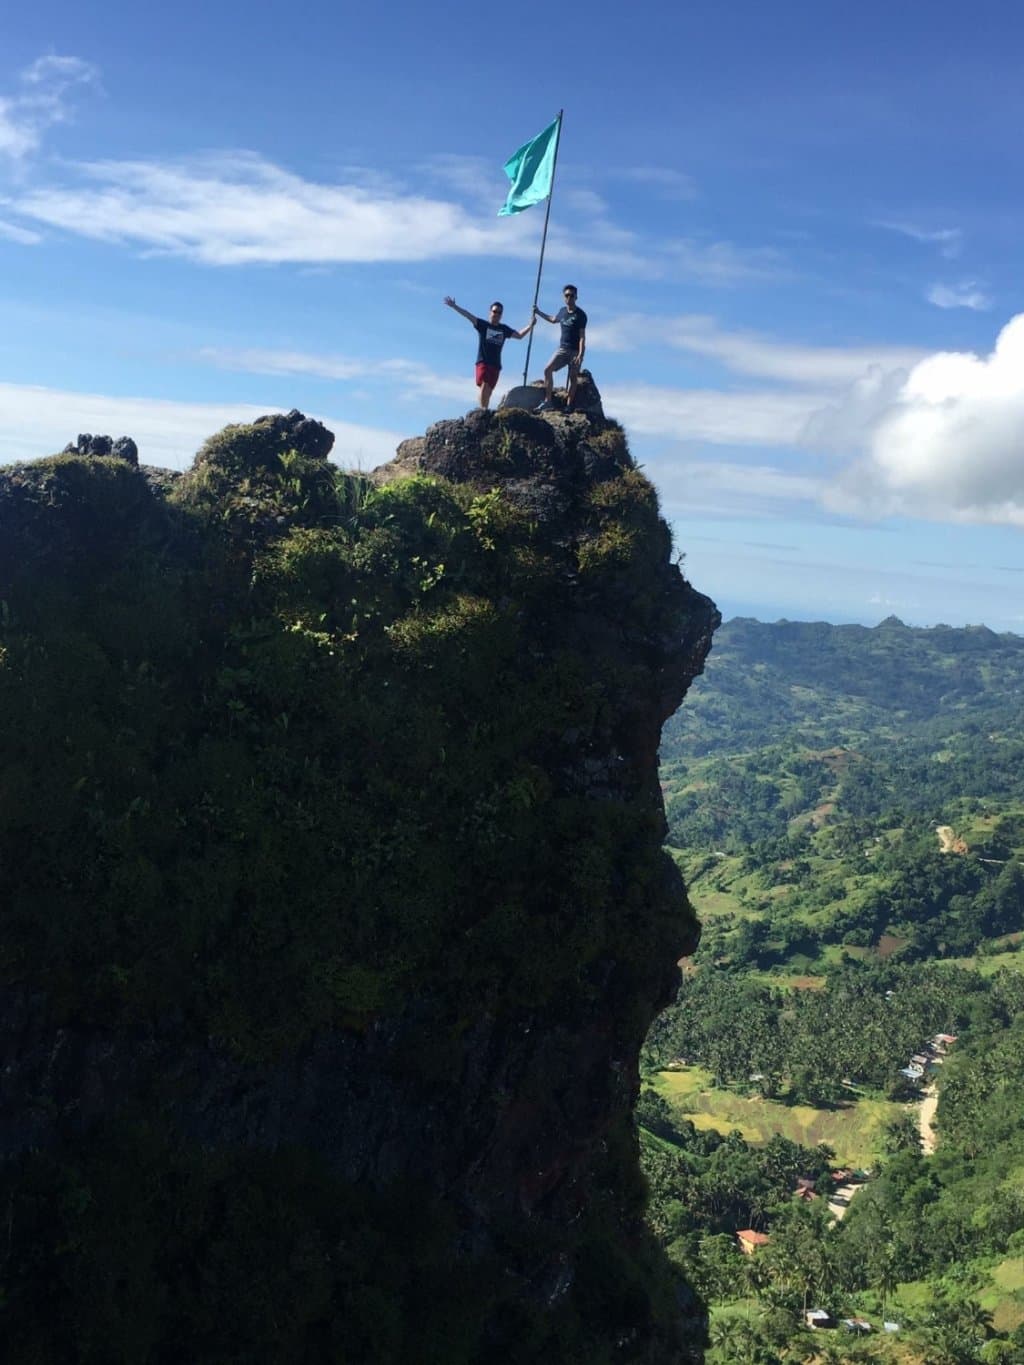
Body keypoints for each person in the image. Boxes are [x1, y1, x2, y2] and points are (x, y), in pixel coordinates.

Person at [443, 297, 534, 409]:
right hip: (483, 362)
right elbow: (468, 315)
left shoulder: (504, 329)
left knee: (489, 390)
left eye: (499, 312)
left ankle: (484, 410)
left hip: (496, 364)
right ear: (490, 312)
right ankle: (482, 411)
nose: (496, 314)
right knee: (484, 385)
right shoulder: (483, 325)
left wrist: (530, 325)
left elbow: (519, 336)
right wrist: (454, 306)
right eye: (495, 311)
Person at [533, 284, 587, 411]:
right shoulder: (563, 311)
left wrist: (580, 354)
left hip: (575, 351)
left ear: (576, 297)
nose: (569, 298)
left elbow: (582, 337)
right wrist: (538, 312)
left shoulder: (581, 315)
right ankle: (548, 401)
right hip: (563, 348)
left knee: (573, 377)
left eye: (572, 295)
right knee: (547, 370)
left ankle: (568, 405)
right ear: (564, 297)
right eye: (567, 295)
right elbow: (553, 319)